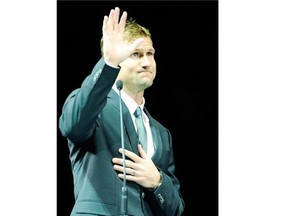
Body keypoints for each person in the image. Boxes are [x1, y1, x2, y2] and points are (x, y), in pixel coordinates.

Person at [59, 6, 185, 216]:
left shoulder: (162, 133)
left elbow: (175, 209)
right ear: (117, 58)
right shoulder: (93, 106)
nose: (146, 62)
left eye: (150, 53)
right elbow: (72, 125)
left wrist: (157, 181)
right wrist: (108, 63)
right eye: (136, 54)